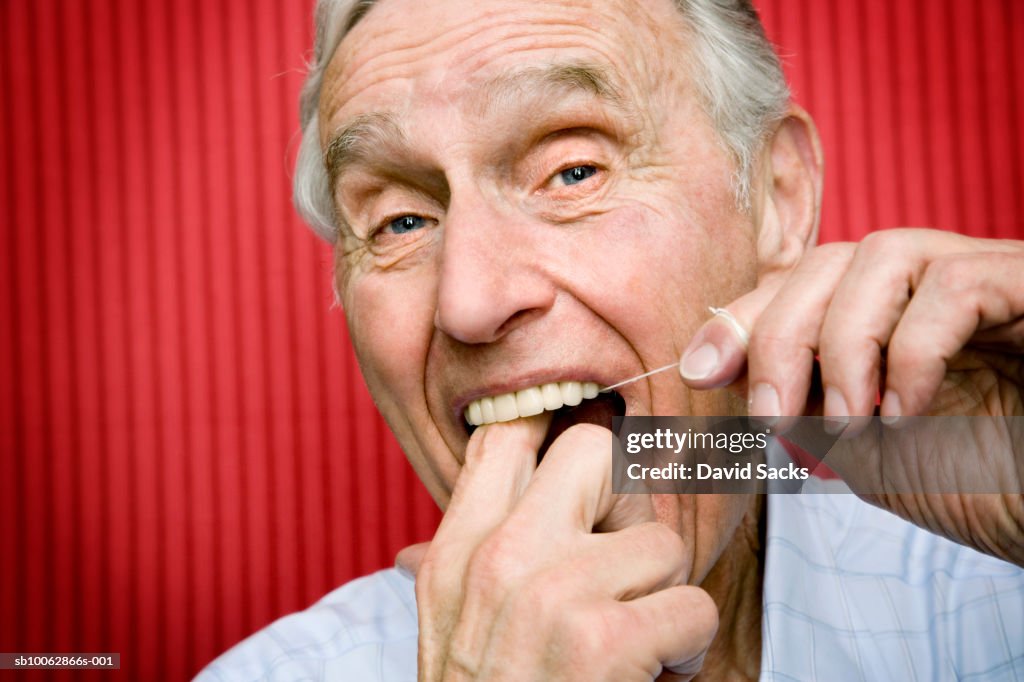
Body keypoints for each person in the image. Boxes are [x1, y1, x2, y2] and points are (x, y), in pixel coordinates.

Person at [198, 0, 1024, 679]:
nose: (470, 301)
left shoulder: (997, 599)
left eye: (573, 171)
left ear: (776, 197)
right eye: (400, 221)